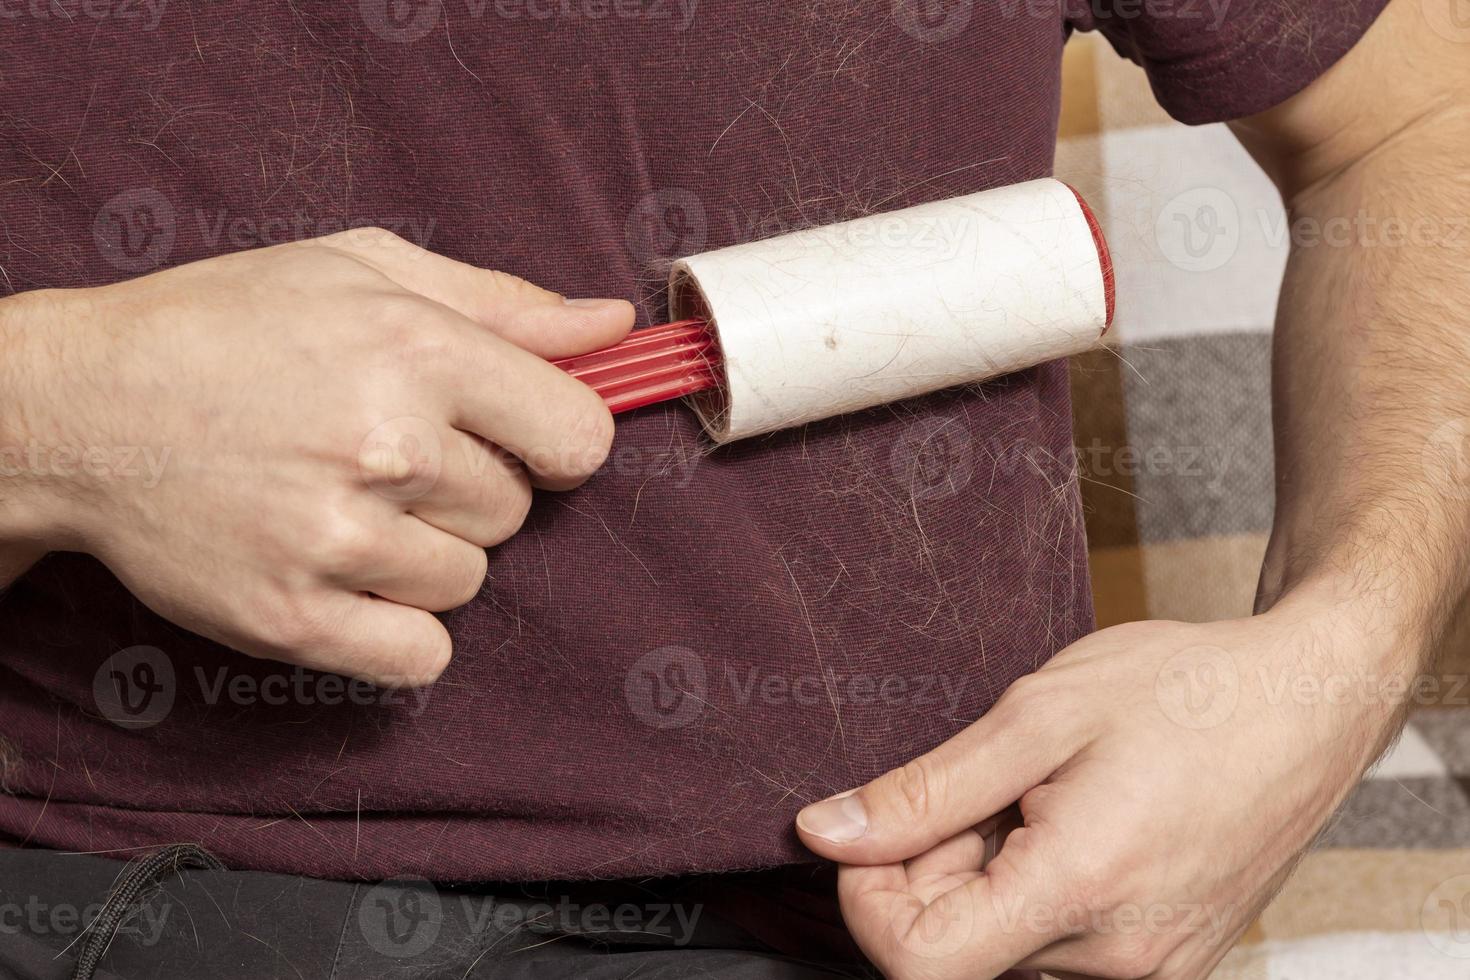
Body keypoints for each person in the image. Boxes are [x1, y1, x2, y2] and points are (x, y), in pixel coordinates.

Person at [0, 0, 1465, 976]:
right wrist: (55, 412)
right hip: (117, 895)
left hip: (926, 903)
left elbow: (1417, 121)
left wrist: (1338, 656)